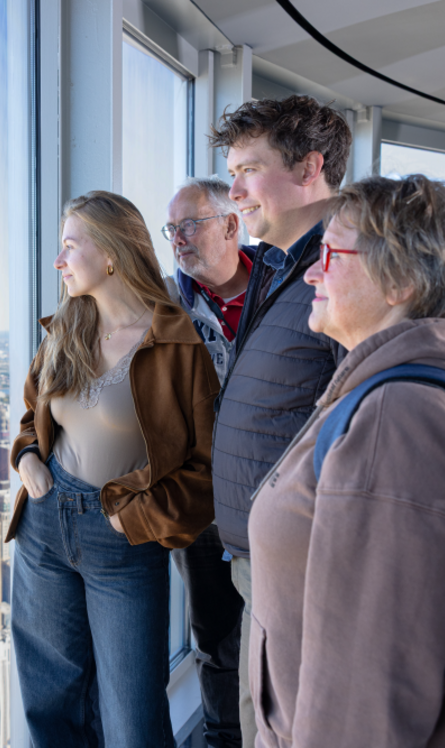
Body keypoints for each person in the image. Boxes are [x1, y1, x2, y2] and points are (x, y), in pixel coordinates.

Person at [5, 190, 220, 748]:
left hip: (124, 540)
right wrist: (27, 456)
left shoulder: (177, 341)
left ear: (110, 254)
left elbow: (206, 467)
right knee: (51, 708)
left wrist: (137, 519)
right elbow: (34, 416)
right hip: (44, 531)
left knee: (132, 720)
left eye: (69, 247)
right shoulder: (65, 331)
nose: (58, 261)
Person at [248, 174, 445, 748]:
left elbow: (365, 705)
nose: (311, 271)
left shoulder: (394, 419)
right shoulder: (387, 392)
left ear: (401, 279)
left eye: (330, 253)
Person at [207, 95, 351, 745]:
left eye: (247, 170)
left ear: (308, 167)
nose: (233, 190)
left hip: (304, 566)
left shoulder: (343, 272)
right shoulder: (278, 263)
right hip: (260, 558)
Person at [163, 176, 254, 748]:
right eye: (171, 229)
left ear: (229, 224)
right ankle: (224, 738)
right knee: (216, 640)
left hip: (276, 500)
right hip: (201, 505)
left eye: (189, 225)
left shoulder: (287, 289)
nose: (178, 239)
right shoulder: (166, 307)